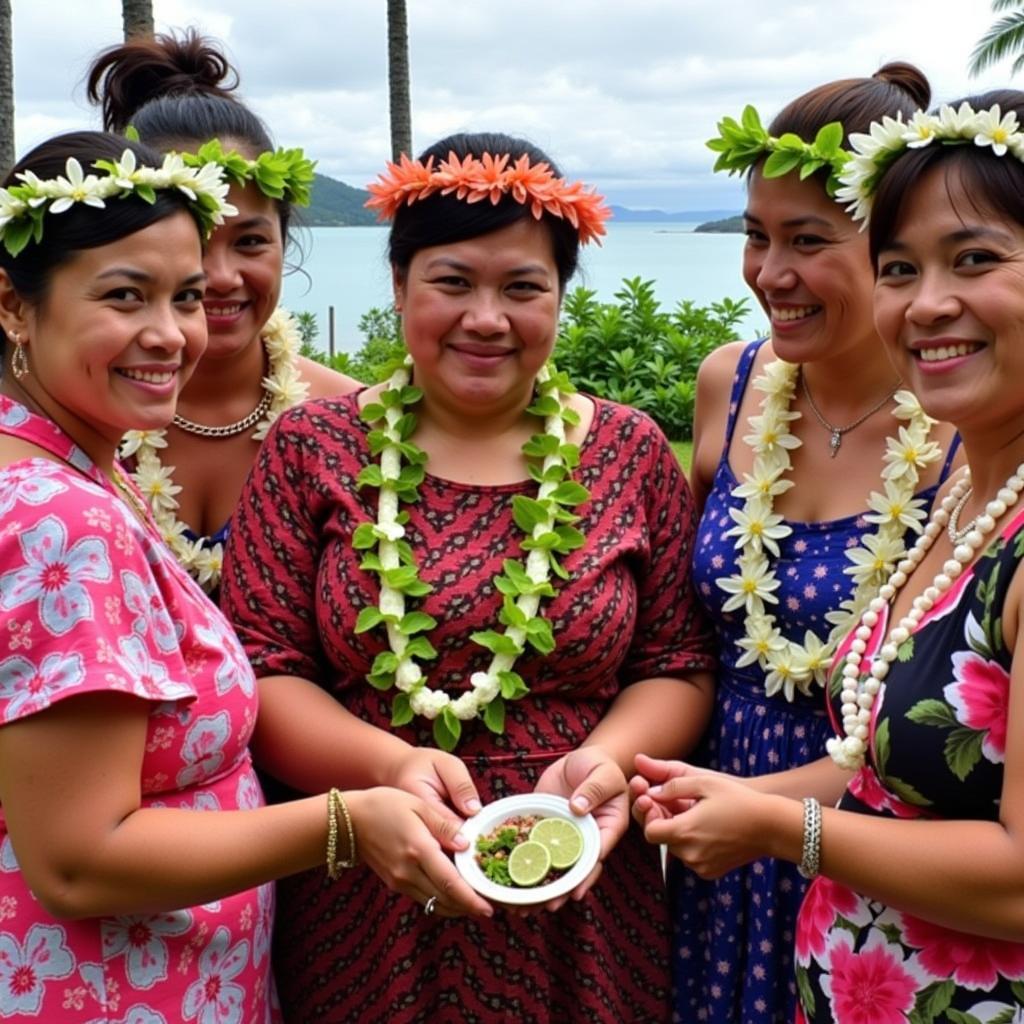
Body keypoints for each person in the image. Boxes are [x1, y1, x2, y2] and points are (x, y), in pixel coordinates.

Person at [218, 131, 716, 1023]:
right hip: (366, 864)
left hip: (585, 869)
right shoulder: (311, 448)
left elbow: (676, 660)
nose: (487, 318)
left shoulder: (629, 448)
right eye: (452, 282)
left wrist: (600, 766)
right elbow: (264, 665)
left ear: (560, 297)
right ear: (401, 287)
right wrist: (390, 767)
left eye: (523, 287)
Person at [0, 130, 488, 1023]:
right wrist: (347, 822)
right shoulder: (56, 518)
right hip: (103, 991)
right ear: (14, 307)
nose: (171, 333)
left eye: (184, 297)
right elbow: (78, 863)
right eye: (124, 296)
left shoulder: (72, 468)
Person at [635, 90, 1024, 1022]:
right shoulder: (975, 500)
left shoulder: (966, 474)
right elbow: (878, 761)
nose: (929, 303)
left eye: (973, 259)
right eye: (902, 267)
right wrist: (666, 779)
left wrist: (777, 824)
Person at [87, 30, 359, 594]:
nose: (219, 277)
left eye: (251, 242)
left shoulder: (353, 423)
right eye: (193, 240)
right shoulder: (72, 420)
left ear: (285, 242)